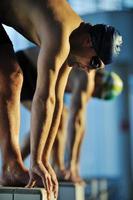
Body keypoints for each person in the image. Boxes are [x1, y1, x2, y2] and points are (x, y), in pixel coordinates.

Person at [0, 1, 122, 198]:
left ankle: (10, 167)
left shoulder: (72, 46)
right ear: (88, 42)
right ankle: (11, 165)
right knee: (11, 75)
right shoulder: (60, 34)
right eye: (93, 62)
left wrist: (45, 159)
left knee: (12, 77)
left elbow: (56, 102)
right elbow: (45, 98)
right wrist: (37, 161)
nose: (89, 70)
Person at [15, 47, 123, 184]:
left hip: (35, 71)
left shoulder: (87, 80)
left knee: (58, 116)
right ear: (102, 80)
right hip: (25, 65)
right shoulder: (87, 78)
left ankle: (51, 166)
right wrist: (72, 165)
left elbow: (80, 125)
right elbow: (76, 121)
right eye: (98, 92)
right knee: (58, 117)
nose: (93, 95)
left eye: (98, 96)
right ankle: (50, 166)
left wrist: (74, 165)